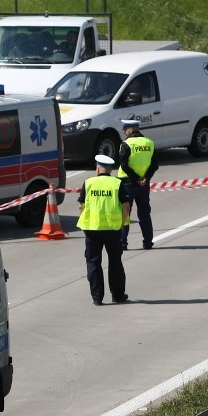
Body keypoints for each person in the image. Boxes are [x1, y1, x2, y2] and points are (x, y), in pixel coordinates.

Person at [77, 154, 131, 306]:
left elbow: (82, 206)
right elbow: (126, 206)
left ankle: (97, 297)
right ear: (110, 169)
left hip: (92, 229)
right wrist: (121, 224)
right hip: (112, 229)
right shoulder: (117, 183)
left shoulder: (88, 183)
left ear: (98, 167)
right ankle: (117, 295)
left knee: (93, 262)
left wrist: (84, 225)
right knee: (115, 262)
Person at [117, 119, 158, 250]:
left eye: (125, 130)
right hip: (144, 185)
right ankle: (148, 242)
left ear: (130, 129)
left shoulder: (126, 144)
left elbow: (124, 165)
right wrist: (145, 178)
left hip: (127, 183)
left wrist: (136, 178)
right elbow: (154, 165)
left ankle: (123, 243)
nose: (125, 132)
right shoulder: (149, 142)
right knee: (145, 214)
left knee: (125, 213)